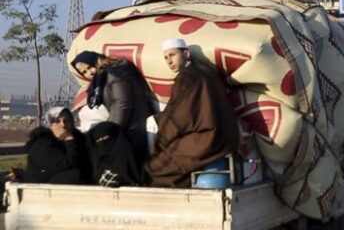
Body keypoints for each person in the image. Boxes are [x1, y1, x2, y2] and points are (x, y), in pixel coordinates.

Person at [144, 38, 239, 188]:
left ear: (186, 53)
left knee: (155, 168)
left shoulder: (187, 77)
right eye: (166, 57)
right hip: (225, 136)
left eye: (172, 55)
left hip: (207, 137)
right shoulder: (207, 71)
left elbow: (181, 115)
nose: (169, 61)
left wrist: (161, 131)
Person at [70, 51, 151, 170]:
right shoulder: (103, 77)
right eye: (84, 72)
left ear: (96, 61)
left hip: (132, 128)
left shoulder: (114, 72)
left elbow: (122, 105)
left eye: (89, 67)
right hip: (127, 128)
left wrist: (109, 132)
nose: (89, 73)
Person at [8, 107, 91, 184]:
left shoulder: (79, 139)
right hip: (40, 186)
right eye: (58, 121)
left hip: (61, 186)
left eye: (66, 121)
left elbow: (84, 162)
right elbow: (69, 164)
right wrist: (68, 138)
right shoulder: (42, 143)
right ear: (50, 125)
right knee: (75, 175)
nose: (63, 125)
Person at [87, 121, 140, 187]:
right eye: (99, 140)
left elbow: (127, 175)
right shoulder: (97, 158)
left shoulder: (124, 152)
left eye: (105, 138)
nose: (102, 142)